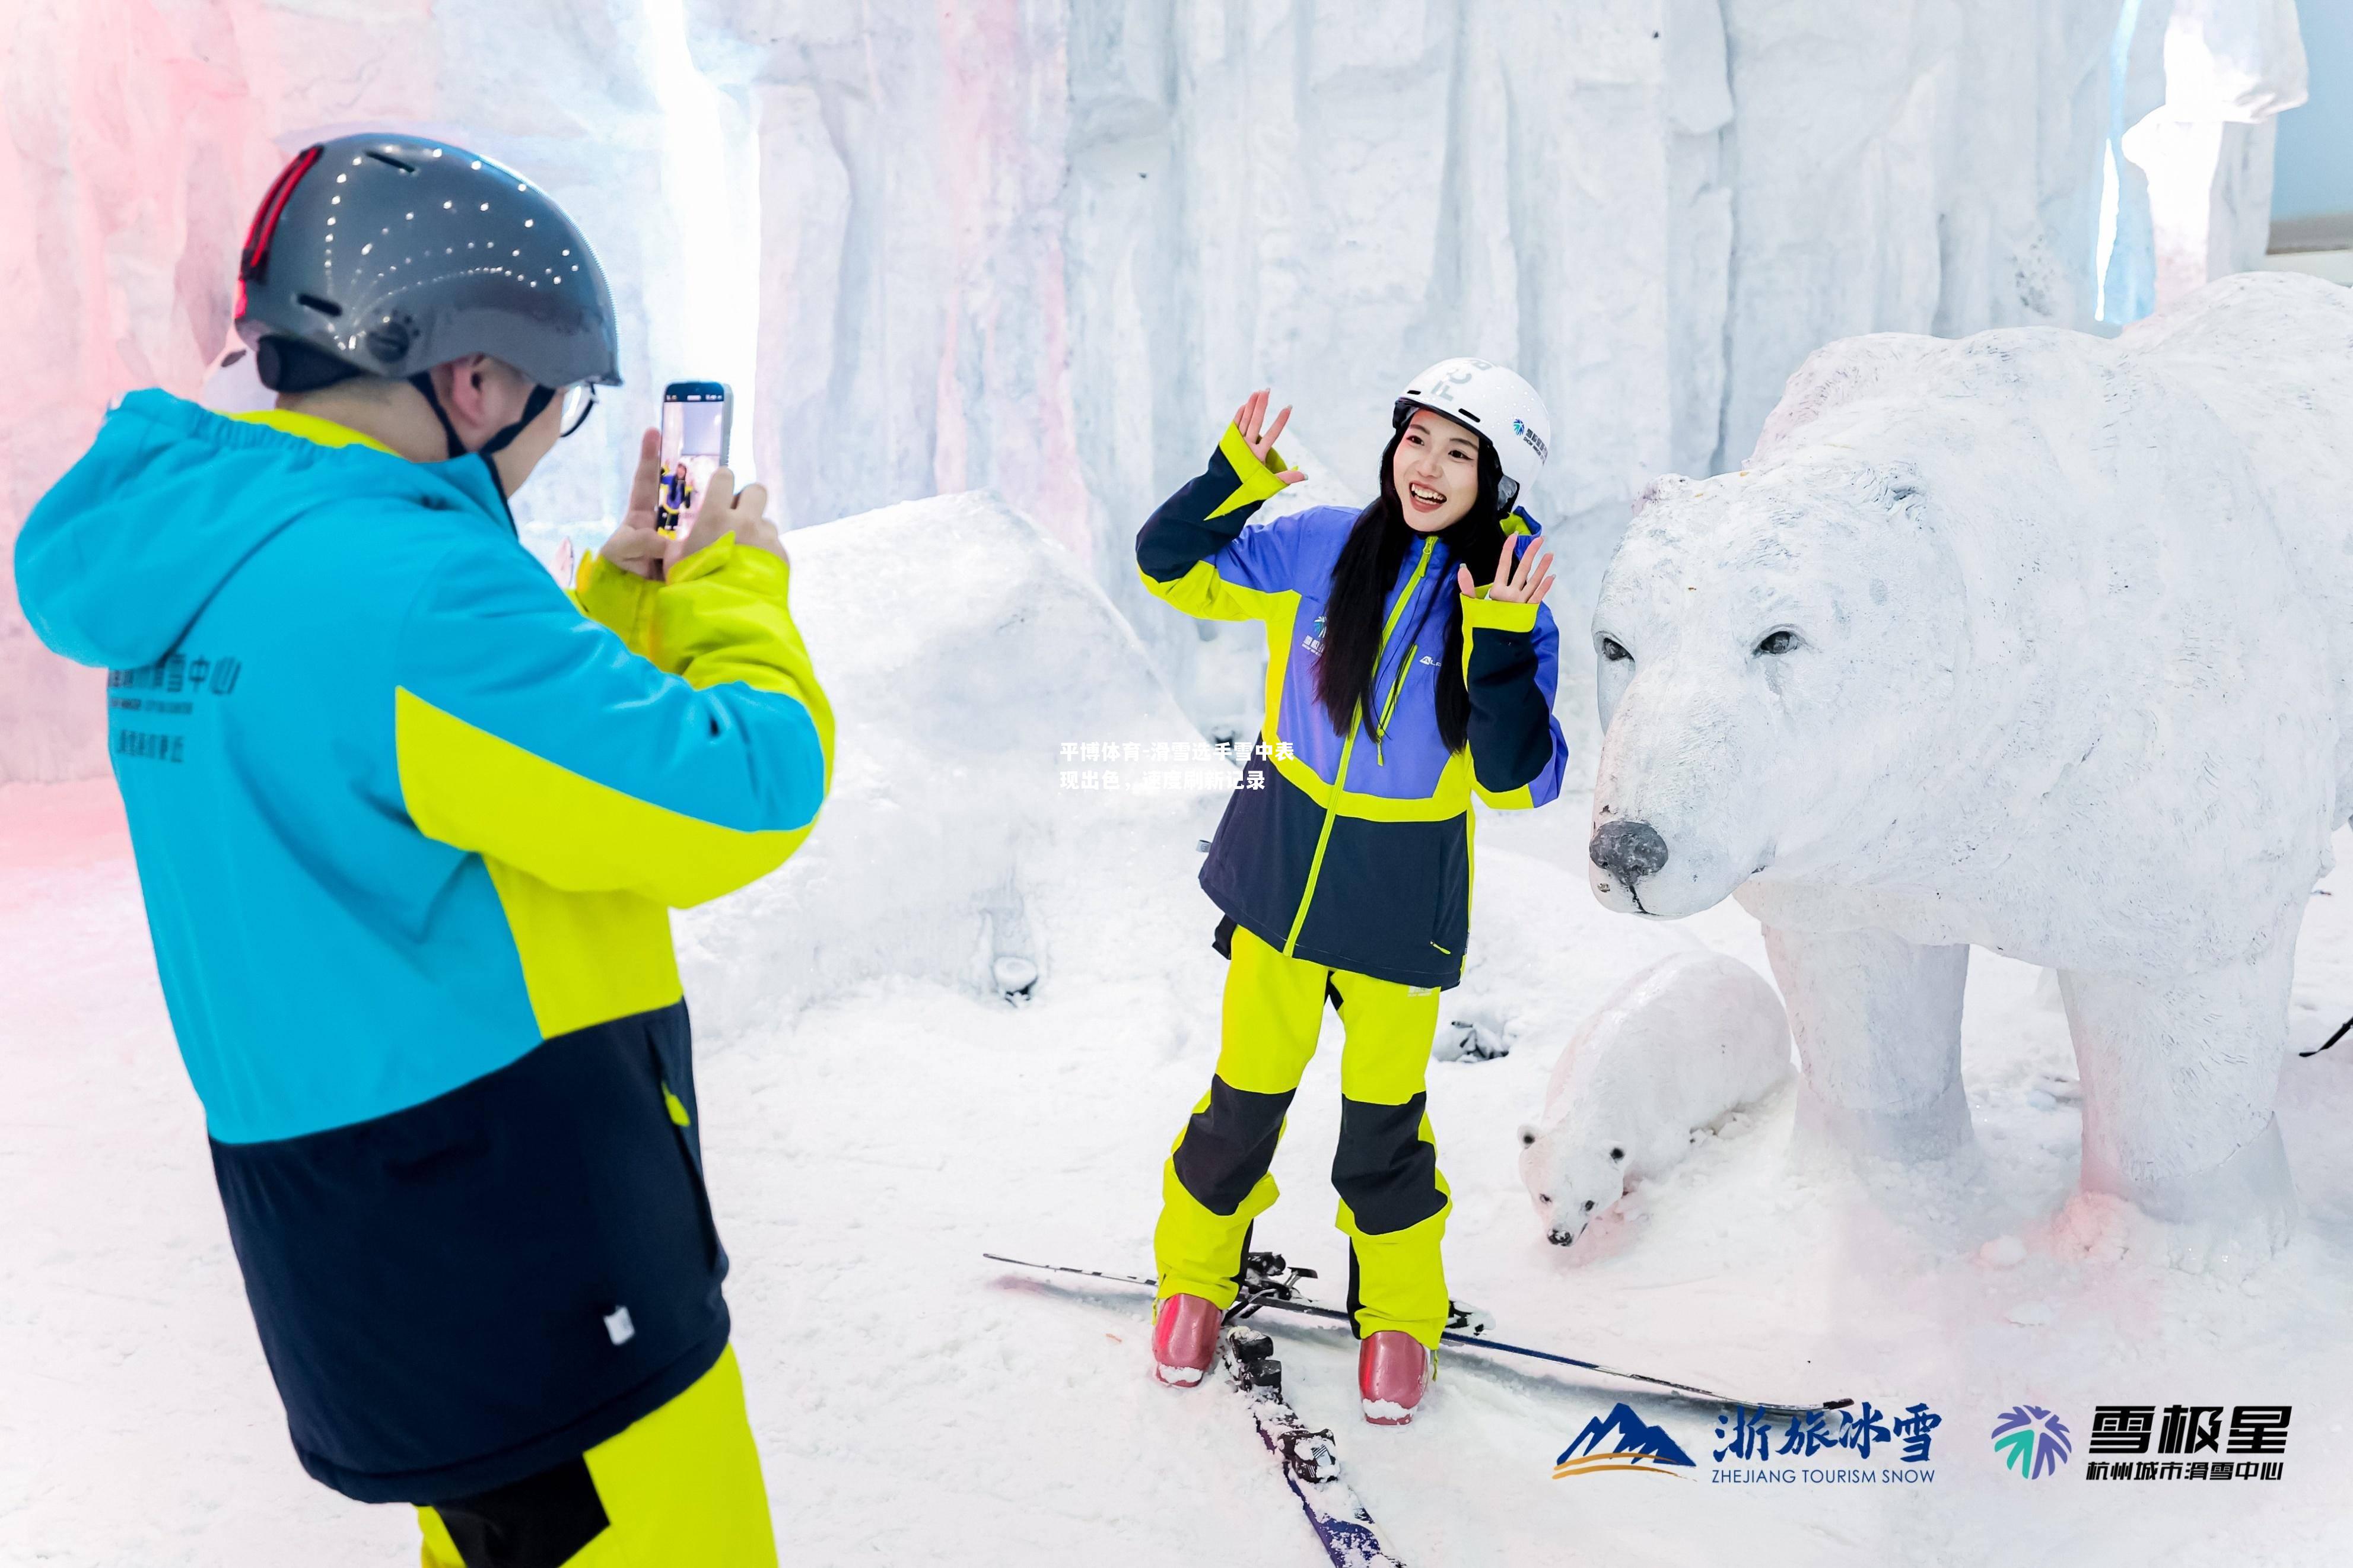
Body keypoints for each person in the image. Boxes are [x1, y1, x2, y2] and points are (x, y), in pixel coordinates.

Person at [12, 133, 829, 1565]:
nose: (538, 437)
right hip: (531, 1240)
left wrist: (612, 622)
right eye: (552, 405)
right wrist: (732, 593)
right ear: (473, 378)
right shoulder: (410, 585)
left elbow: (474, 806)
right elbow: (735, 795)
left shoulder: (210, 555)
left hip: (375, 1252)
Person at [1136, 361, 1569, 1425]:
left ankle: (1399, 1318)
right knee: (1242, 1103)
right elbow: (1165, 564)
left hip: (1399, 890)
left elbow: (1521, 782)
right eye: (1417, 439)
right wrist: (1229, 476)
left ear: (1497, 481)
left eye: (1459, 453)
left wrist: (1503, 645)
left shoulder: (1504, 607)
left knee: (1382, 1130)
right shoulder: (1320, 541)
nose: (1426, 467)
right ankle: (1192, 1279)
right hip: (1281, 863)